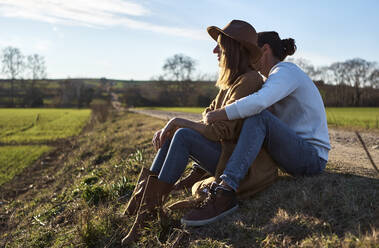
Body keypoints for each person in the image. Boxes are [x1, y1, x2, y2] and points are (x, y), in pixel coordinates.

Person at [121, 20, 276, 245]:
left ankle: (145, 215)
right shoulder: (230, 83)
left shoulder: (249, 81)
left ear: (235, 49)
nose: (214, 50)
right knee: (175, 133)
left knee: (181, 133)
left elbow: (219, 131)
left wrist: (178, 121)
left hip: (237, 164)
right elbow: (209, 115)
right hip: (223, 151)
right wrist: (179, 125)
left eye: (220, 45)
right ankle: (141, 205)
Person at [180, 31, 331, 226]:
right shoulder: (271, 81)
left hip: (311, 158)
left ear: (265, 49)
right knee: (249, 118)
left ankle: (226, 191)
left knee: (257, 116)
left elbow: (258, 103)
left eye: (251, 51)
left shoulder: (285, 71)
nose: (247, 56)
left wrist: (219, 114)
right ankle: (202, 169)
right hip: (293, 153)